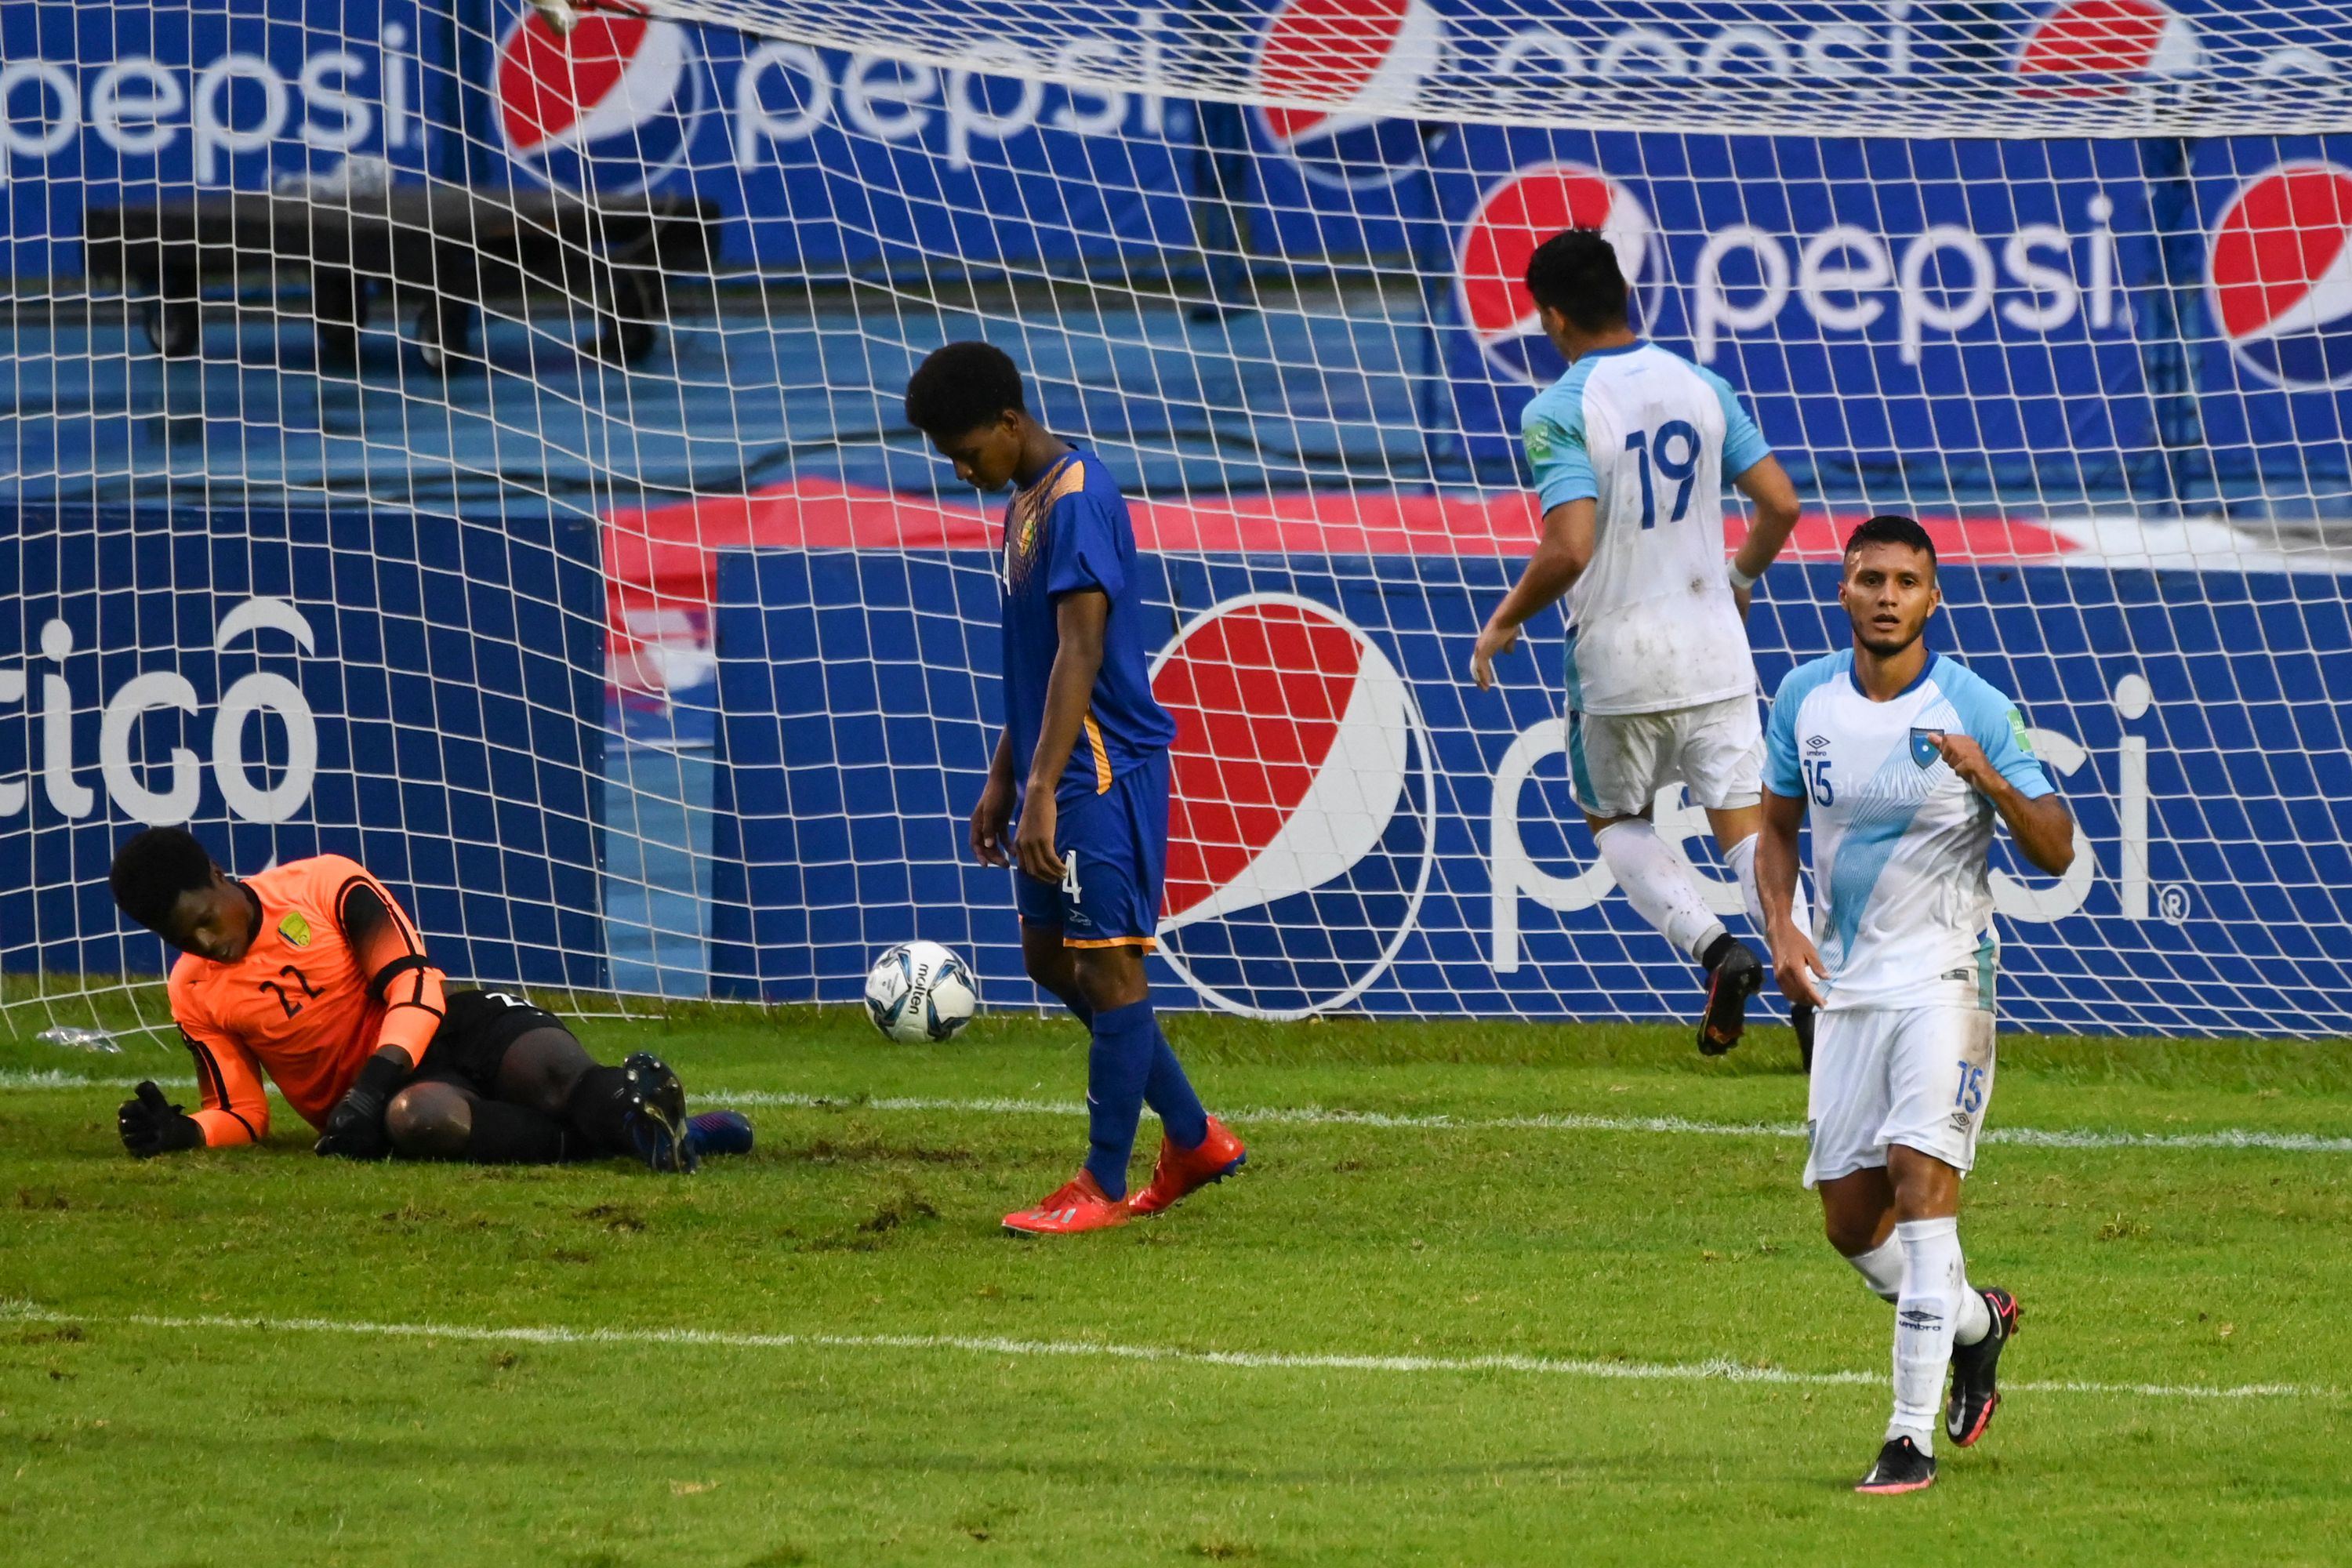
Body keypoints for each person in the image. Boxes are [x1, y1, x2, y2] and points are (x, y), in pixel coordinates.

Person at [1754, 515, 2077, 1494]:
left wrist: (1989, 775)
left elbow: (2057, 845)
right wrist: (1782, 924)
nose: (1887, 595)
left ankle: (1907, 1439)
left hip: (1945, 976)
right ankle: (1977, 1324)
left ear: (1934, 598)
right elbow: (1773, 826)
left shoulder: (1971, 702)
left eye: (1906, 581)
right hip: (1849, 989)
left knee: (1919, 1181)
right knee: (1852, 1223)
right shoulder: (1804, 696)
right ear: (1843, 591)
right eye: (1871, 579)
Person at [903, 339, 1245, 1236]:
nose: (962, 468)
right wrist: (1003, 775)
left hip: (1101, 767)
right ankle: (1194, 1135)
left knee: (1108, 962)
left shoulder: (1081, 497)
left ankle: (1098, 1184)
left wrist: (1046, 787)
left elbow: (1084, 652)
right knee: (1053, 961)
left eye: (968, 450)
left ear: (1011, 422)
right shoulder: (1026, 498)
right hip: (1056, 765)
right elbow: (1040, 658)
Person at [1471, 227, 1813, 1057]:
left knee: (1614, 817)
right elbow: (1782, 505)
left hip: (1620, 661)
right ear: (1626, 295)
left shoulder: (1556, 408)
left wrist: (1506, 615)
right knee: (1747, 833)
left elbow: (1570, 547)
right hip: (1714, 649)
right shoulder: (1701, 382)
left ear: (1552, 319)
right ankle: (1814, 991)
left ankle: (1714, 948)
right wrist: (1737, 578)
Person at [106, 827, 751, 1171]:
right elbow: (243, 1115)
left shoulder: (324, 883)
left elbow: (413, 984)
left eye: (205, 917)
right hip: (386, 1106)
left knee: (554, 1073)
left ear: (218, 876)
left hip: (445, 1028)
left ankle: (641, 1120)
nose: (207, 942)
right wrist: (187, 1132)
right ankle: (667, 1131)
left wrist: (371, 1079)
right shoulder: (193, 992)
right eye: (182, 937)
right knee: (422, 1119)